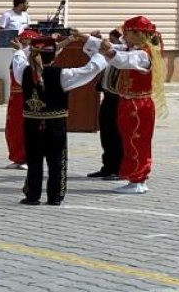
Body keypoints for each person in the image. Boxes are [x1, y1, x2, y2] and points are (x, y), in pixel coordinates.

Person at [12, 35, 109, 206]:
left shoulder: (23, 72)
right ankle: (55, 196)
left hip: (31, 124)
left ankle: (32, 196)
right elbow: (90, 70)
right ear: (55, 55)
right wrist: (101, 53)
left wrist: (24, 49)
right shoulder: (62, 75)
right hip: (55, 125)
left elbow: (18, 57)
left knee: (34, 159)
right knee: (57, 160)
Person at [100, 16, 167, 194]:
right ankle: (133, 177)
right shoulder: (134, 48)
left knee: (137, 142)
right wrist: (88, 39)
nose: (124, 37)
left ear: (137, 34)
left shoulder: (144, 54)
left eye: (127, 33)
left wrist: (109, 52)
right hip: (129, 102)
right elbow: (118, 50)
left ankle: (139, 179)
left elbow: (123, 59)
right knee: (129, 141)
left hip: (138, 105)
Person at [88, 29, 125, 180]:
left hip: (119, 99)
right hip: (107, 97)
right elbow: (91, 52)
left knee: (117, 136)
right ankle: (107, 167)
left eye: (113, 40)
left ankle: (118, 169)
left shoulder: (122, 56)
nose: (110, 43)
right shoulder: (107, 56)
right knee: (106, 134)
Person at [4, 29, 40, 169]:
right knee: (13, 129)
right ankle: (17, 157)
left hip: (28, 97)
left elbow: (22, 76)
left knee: (27, 128)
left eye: (28, 43)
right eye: (23, 43)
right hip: (15, 98)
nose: (25, 46)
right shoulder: (18, 56)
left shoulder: (32, 59)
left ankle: (28, 158)